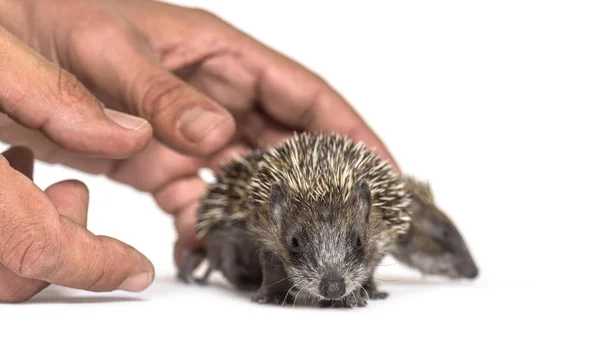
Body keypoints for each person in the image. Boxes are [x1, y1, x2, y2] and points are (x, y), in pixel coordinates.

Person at [0, 0, 399, 302]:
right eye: (297, 245)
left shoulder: (367, 220)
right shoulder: (263, 218)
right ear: (276, 210)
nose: (332, 283)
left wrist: (28, 15)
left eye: (355, 245)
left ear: (366, 211)